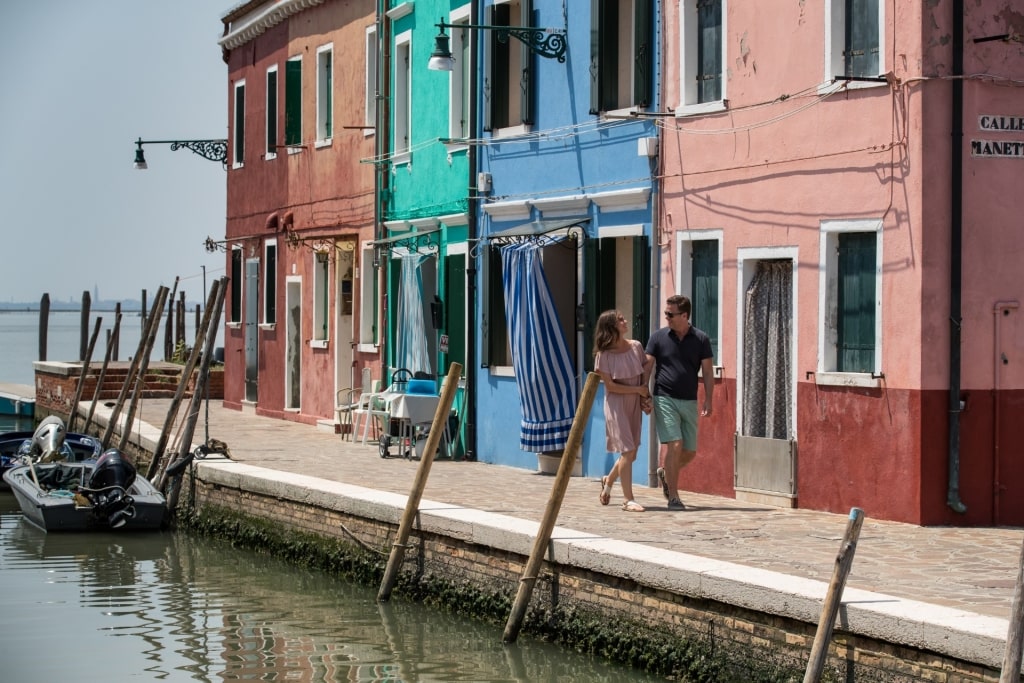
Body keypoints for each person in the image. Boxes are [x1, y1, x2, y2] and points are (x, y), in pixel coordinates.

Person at [645, 295, 714, 510]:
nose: (667, 317)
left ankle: (666, 473)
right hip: (664, 397)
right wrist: (643, 394)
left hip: (690, 400)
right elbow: (647, 367)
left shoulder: (701, 339)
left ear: (684, 315)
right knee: (675, 444)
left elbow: (708, 372)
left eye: (670, 314)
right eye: (666, 313)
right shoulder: (658, 338)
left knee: (690, 451)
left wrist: (709, 399)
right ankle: (674, 496)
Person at [593, 310, 653, 512]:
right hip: (616, 405)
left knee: (632, 453)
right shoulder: (604, 356)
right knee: (627, 451)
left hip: (634, 404)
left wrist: (646, 397)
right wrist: (638, 390)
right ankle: (628, 500)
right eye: (620, 319)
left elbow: (644, 375)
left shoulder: (636, 346)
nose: (625, 321)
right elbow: (610, 386)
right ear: (611, 327)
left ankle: (608, 481)